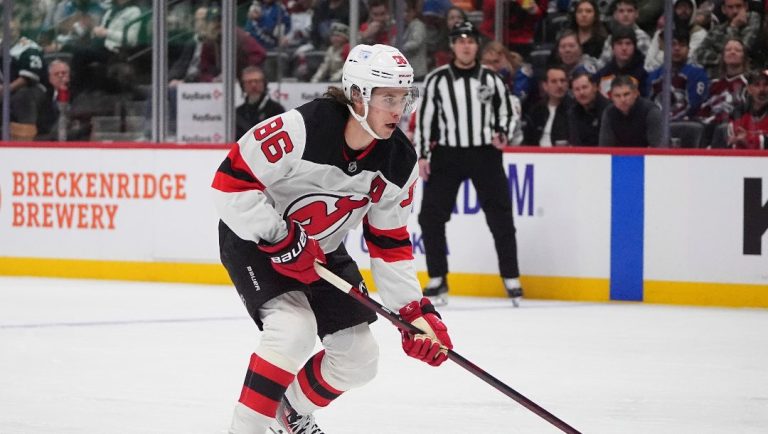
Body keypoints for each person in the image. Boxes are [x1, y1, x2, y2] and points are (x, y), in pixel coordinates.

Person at [213, 43, 453, 434]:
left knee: (359, 358)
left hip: (321, 248)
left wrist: (414, 313)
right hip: (256, 241)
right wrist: (280, 237)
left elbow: (389, 242)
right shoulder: (301, 129)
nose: (398, 108)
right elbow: (230, 185)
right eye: (387, 97)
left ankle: (288, 410)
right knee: (293, 330)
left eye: (404, 97)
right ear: (358, 94)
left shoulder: (398, 161)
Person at [413, 21, 524, 306]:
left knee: (500, 215)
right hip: (448, 154)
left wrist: (504, 133)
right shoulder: (437, 80)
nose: (465, 45)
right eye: (460, 40)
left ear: (477, 45)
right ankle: (437, 277)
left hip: (485, 153)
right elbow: (426, 120)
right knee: (430, 217)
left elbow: (507, 111)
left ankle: (511, 277)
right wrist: (423, 154)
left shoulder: (491, 78)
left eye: (470, 40)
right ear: (452, 45)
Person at [0, 18, 47, 141]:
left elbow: (29, 77)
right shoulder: (2, 46)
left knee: (23, 96)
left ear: (18, 30)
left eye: (13, 30)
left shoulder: (28, 47)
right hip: (6, 89)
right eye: (7, 30)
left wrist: (6, 89)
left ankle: (26, 138)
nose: (10, 33)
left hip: (32, 90)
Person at [646, 29, 709, 120]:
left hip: (685, 126)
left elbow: (694, 104)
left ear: (688, 49)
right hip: (658, 126)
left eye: (682, 45)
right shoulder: (653, 76)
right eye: (673, 44)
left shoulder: (697, 74)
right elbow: (649, 106)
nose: (677, 48)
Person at [694, 0, 762, 78]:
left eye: (739, 6)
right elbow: (699, 54)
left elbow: (743, 50)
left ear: (746, 7)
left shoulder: (753, 18)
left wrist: (733, 27)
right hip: (719, 78)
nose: (735, 11)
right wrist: (725, 58)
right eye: (730, 7)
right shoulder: (718, 29)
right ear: (723, 9)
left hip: (749, 77)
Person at [644, 0, 707, 72]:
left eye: (687, 8)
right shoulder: (661, 33)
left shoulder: (699, 33)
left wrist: (660, 55)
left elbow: (689, 60)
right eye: (680, 7)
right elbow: (648, 65)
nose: (684, 11)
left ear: (693, 10)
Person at [599, 75, 662, 147]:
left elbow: (659, 149)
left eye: (626, 94)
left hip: (646, 157)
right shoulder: (609, 113)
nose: (622, 100)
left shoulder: (651, 112)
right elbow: (605, 149)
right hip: (619, 157)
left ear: (635, 93)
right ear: (611, 97)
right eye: (617, 96)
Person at [523, 65, 572, 146]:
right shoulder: (536, 110)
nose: (559, 85)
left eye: (562, 81)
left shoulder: (573, 109)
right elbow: (528, 140)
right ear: (545, 86)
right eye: (554, 81)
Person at [593, 25, 647, 98]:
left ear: (634, 47)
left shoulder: (644, 72)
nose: (624, 48)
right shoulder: (604, 73)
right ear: (612, 47)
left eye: (628, 43)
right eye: (619, 43)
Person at [596, 0, 651, 68]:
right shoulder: (610, 38)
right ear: (615, 15)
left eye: (630, 11)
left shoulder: (642, 37)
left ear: (636, 14)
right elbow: (601, 66)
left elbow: (649, 66)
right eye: (621, 11)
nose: (625, 14)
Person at [235, 66, 285, 139]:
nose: (253, 85)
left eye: (257, 81)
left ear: (264, 83)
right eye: (249, 82)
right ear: (243, 86)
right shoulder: (238, 113)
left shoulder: (276, 110)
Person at [727, 69, 768, 149]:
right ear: (749, 89)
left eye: (766, 85)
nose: (762, 89)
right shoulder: (738, 113)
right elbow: (733, 142)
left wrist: (748, 139)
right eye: (757, 85)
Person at [568, 70, 610, 146]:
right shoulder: (573, 112)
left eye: (585, 87)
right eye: (577, 89)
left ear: (595, 87)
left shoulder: (608, 110)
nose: (581, 92)